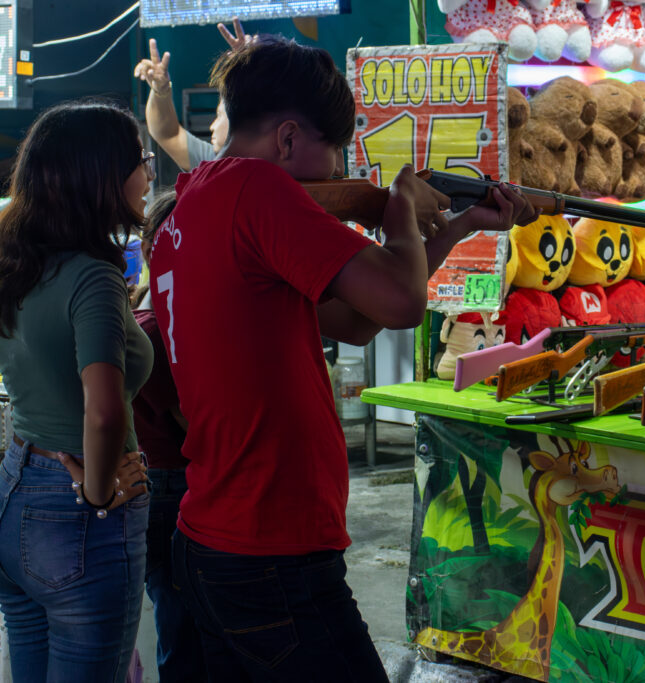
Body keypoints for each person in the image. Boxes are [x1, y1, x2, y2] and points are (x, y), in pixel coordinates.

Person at [150, 36, 537, 681]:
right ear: (288, 139)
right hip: (272, 548)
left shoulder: (195, 199)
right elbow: (405, 304)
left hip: (220, 540)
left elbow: (361, 319)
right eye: (333, 155)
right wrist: (399, 210)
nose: (335, 172)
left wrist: (456, 228)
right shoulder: (260, 192)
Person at [0, 100, 153, 682]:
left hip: (15, 490)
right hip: (76, 514)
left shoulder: (14, 261)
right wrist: (96, 492)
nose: (146, 175)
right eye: (138, 160)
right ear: (100, 176)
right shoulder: (91, 273)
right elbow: (104, 410)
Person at [131, 190, 207, 683]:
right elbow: (195, 423)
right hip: (170, 486)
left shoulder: (148, 314)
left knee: (183, 623)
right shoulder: (159, 327)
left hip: (163, 483)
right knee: (184, 628)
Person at [133, 18, 251, 170]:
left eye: (220, 115)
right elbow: (168, 134)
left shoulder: (276, 166)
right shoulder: (212, 162)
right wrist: (160, 90)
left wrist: (251, 68)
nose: (212, 126)